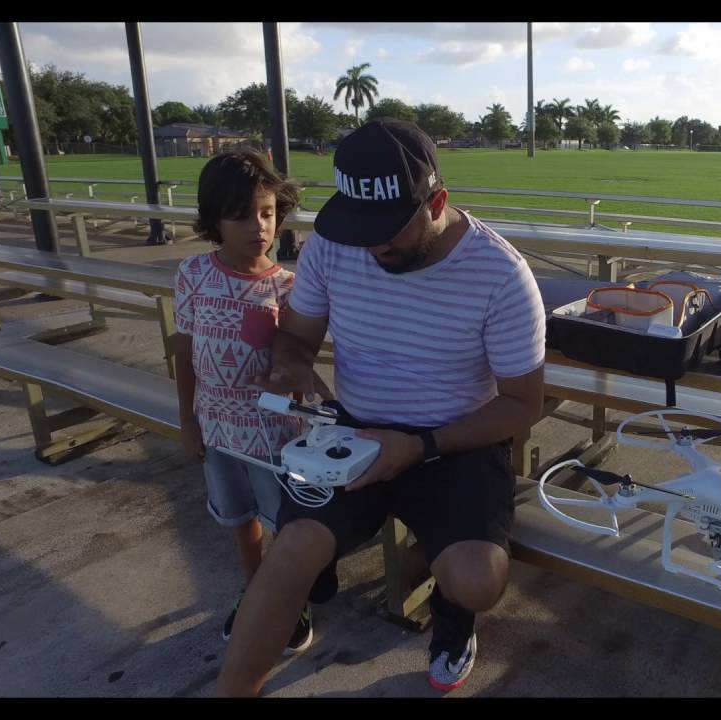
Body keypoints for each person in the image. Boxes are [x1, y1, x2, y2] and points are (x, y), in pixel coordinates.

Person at [217, 119, 547, 696]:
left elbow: (521, 405)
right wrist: (291, 366)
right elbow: (294, 338)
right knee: (291, 552)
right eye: (358, 226)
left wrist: (420, 447)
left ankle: (452, 620)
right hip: (354, 429)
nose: (371, 245)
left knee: (477, 581)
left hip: (454, 440)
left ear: (437, 201)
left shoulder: (500, 275)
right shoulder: (333, 246)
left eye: (389, 228)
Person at [174, 149, 332, 656]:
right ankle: (256, 588)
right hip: (217, 429)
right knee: (241, 519)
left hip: (273, 437)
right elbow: (183, 351)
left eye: (266, 213)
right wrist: (188, 420)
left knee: (286, 524)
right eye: (241, 214)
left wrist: (291, 376)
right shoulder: (192, 275)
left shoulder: (288, 286)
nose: (258, 227)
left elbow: (299, 362)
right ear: (212, 219)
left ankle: (290, 599)